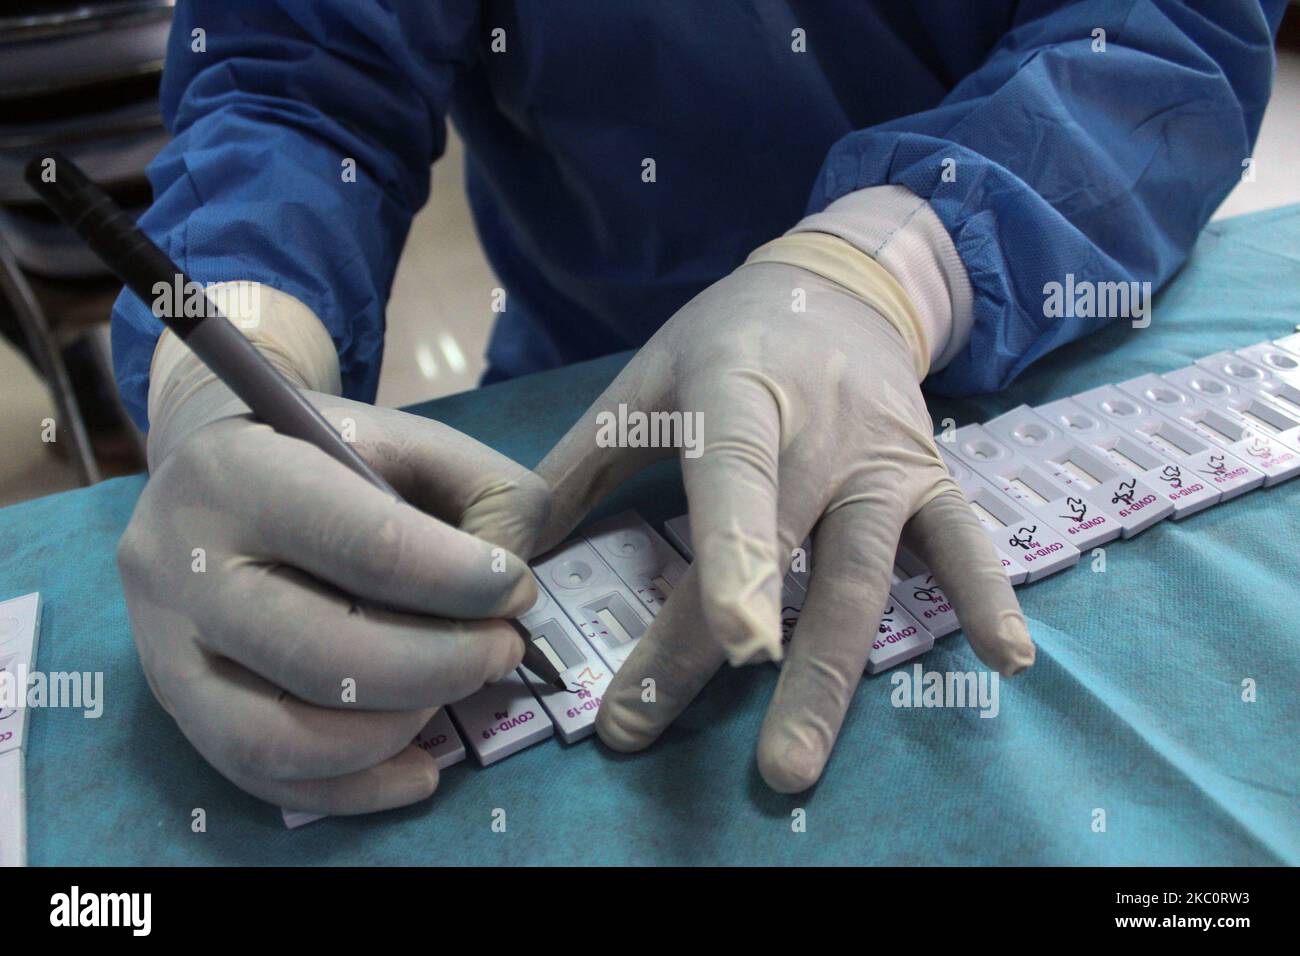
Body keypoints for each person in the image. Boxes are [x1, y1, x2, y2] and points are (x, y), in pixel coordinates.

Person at [110, 1, 1284, 813]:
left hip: (1012, 326)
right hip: (594, 389)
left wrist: (884, 269)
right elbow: (295, 89)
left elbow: (1155, 32)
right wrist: (227, 374)